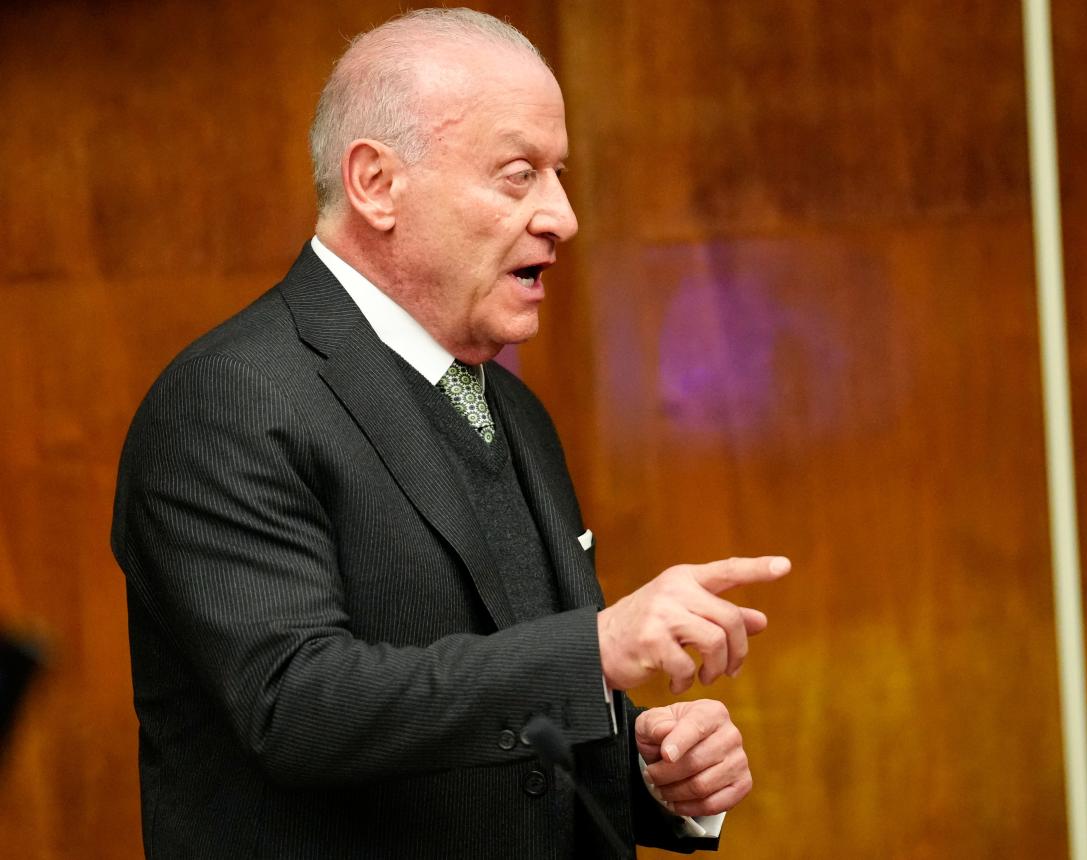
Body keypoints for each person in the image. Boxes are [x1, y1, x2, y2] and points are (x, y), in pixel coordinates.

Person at [111, 8, 790, 858]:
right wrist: (595, 648)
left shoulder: (510, 407)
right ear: (377, 183)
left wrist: (647, 774)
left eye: (560, 174)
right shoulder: (231, 399)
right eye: (519, 175)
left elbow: (512, 725)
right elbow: (293, 706)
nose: (562, 216)